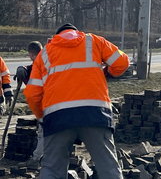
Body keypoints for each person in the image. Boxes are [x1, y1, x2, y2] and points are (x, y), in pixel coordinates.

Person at [24, 23, 129, 179]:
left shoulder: (45, 53)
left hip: (57, 117)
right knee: (108, 167)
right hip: (95, 113)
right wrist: (108, 72)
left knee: (52, 168)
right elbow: (122, 62)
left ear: (56, 36)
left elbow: (32, 94)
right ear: (76, 32)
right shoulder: (94, 41)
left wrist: (42, 117)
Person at [14, 41, 43, 169]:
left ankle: (37, 160)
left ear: (31, 54)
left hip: (48, 104)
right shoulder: (48, 59)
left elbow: (33, 85)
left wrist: (24, 71)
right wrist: (24, 69)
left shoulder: (40, 64)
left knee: (44, 133)